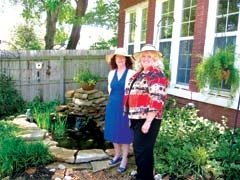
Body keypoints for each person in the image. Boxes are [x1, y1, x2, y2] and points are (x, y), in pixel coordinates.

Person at [124, 44, 168, 180]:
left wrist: (148, 122)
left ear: (155, 59)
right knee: (140, 150)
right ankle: (144, 175)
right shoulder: (138, 74)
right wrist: (130, 116)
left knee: (142, 150)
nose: (146, 58)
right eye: (143, 56)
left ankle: (144, 177)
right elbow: (131, 95)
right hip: (137, 117)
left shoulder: (156, 74)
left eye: (149, 56)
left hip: (149, 119)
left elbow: (157, 99)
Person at [104, 47, 136, 173]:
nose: (120, 60)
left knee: (124, 133)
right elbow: (109, 90)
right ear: (114, 60)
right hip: (112, 105)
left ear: (126, 59)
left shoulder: (131, 73)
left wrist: (130, 110)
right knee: (112, 130)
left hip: (125, 107)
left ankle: (124, 159)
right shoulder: (111, 73)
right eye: (118, 57)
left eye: (123, 57)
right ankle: (117, 155)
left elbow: (133, 93)